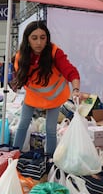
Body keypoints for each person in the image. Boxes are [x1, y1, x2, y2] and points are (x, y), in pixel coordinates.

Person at [12, 21, 81, 158]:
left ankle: (50, 160)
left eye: (42, 38)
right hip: (33, 96)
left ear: (47, 39)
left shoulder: (55, 53)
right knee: (23, 124)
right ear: (27, 39)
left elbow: (71, 71)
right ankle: (13, 156)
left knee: (50, 129)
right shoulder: (21, 57)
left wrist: (76, 90)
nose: (39, 42)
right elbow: (20, 76)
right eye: (34, 38)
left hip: (54, 97)